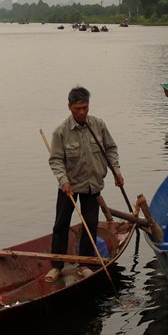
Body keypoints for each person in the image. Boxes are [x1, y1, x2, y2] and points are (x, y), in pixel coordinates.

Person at [46, 86, 124, 283]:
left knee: (90, 224)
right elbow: (56, 160)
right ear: (70, 107)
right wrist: (63, 181)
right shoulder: (61, 131)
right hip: (69, 187)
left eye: (85, 108)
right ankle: (57, 266)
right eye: (77, 109)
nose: (82, 112)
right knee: (61, 225)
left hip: (92, 184)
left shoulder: (98, 125)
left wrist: (116, 172)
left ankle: (85, 264)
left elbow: (111, 149)